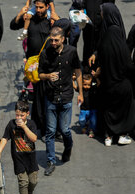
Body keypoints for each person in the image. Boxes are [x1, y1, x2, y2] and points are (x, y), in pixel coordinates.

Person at [38, 26, 83, 176]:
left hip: (66, 96)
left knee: (65, 130)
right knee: (50, 131)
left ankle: (68, 146)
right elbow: (40, 74)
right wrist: (48, 76)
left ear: (63, 39)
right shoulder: (45, 53)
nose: (53, 42)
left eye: (56, 40)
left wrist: (80, 93)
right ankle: (51, 161)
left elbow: (78, 71)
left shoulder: (71, 52)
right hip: (51, 97)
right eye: (51, 39)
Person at [90, 3, 135, 146]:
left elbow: (102, 60)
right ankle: (123, 134)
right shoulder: (117, 37)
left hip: (106, 83)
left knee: (107, 107)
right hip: (120, 83)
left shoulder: (105, 37)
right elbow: (127, 64)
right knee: (128, 96)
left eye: (102, 12)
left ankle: (108, 136)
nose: (100, 15)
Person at [10, 0, 51, 137]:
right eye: (37, 7)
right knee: (38, 98)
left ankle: (51, 128)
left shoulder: (51, 21)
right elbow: (13, 25)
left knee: (49, 98)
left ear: (47, 7)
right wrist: (20, 14)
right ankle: (38, 127)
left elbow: (66, 28)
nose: (38, 10)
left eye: (41, 7)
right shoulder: (30, 18)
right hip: (34, 67)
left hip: (49, 65)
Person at [0, 101, 38, 194]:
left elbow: (33, 138)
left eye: (21, 115)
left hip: (31, 159)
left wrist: (24, 126)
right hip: (18, 159)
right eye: (17, 115)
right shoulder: (11, 124)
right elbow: (4, 138)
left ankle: (29, 193)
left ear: (27, 114)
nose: (19, 118)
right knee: (23, 182)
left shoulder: (31, 124)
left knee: (33, 181)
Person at [73, 73, 99, 138]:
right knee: (81, 120)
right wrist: (72, 80)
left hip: (92, 109)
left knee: (93, 121)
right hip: (83, 109)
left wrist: (96, 77)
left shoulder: (92, 88)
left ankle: (91, 130)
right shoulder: (81, 89)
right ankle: (84, 126)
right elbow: (75, 87)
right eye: (85, 84)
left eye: (89, 85)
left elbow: (98, 84)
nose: (87, 86)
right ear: (82, 83)